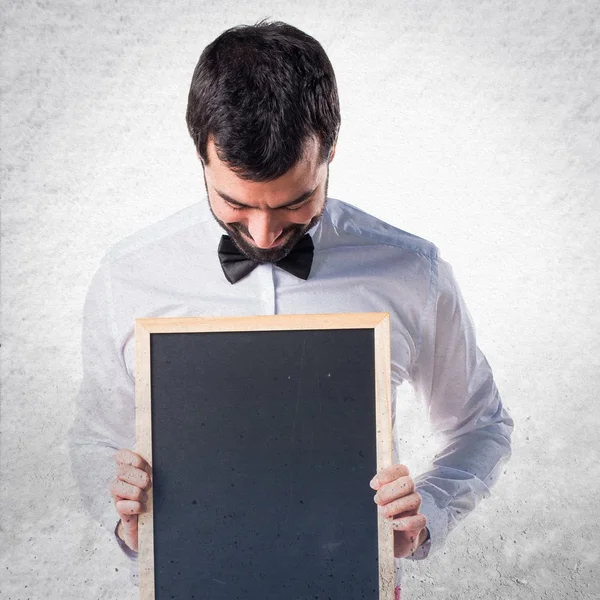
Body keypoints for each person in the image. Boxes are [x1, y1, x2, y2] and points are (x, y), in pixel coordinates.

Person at [67, 19, 513, 596]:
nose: (265, 232)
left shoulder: (411, 271)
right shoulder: (129, 275)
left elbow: (482, 424)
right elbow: (95, 438)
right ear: (200, 155)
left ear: (331, 149)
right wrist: (123, 511)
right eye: (235, 204)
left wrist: (428, 510)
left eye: (296, 202)